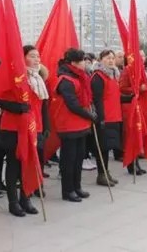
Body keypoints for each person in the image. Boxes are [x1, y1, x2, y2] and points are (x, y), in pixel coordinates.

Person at [0, 45, 48, 217]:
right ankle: (13, 201)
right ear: (22, 57)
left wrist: (45, 126)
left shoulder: (39, 78)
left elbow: (43, 105)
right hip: (13, 128)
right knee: (14, 164)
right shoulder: (14, 77)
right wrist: (18, 107)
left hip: (34, 127)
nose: (37, 59)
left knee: (30, 164)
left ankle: (26, 198)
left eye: (38, 56)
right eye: (32, 56)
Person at [55, 48, 96, 202]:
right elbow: (72, 104)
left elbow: (86, 99)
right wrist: (89, 115)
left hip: (81, 124)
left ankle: (77, 186)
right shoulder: (65, 79)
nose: (84, 64)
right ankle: (68, 190)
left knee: (79, 157)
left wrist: (92, 112)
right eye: (81, 62)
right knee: (69, 159)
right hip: (68, 124)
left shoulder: (80, 77)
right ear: (73, 63)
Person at [91, 50, 127, 186]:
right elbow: (97, 100)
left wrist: (130, 98)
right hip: (105, 118)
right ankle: (101, 174)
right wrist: (101, 118)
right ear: (100, 59)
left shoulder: (113, 75)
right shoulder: (98, 77)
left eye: (112, 58)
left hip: (115, 116)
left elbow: (116, 96)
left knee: (109, 146)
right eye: (107, 58)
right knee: (103, 148)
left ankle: (106, 171)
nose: (111, 60)